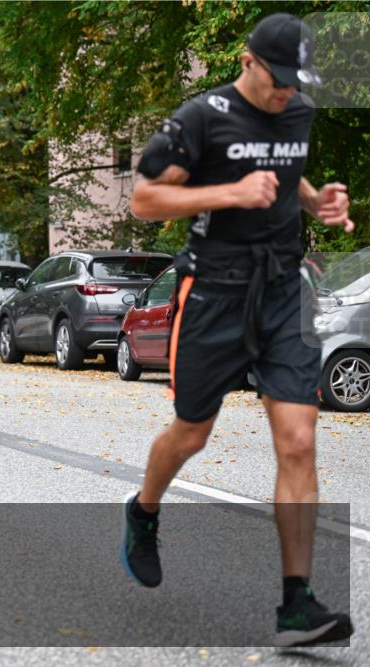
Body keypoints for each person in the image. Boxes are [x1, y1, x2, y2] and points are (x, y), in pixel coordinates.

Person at [122, 13, 354, 647]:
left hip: (282, 290)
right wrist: (228, 193)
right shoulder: (201, 117)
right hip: (215, 293)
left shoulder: (296, 112)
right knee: (191, 433)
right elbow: (144, 200)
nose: (286, 94)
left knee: (299, 440)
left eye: (295, 84)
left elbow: (286, 173)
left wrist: (316, 203)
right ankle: (143, 513)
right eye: (277, 81)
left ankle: (296, 604)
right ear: (249, 62)